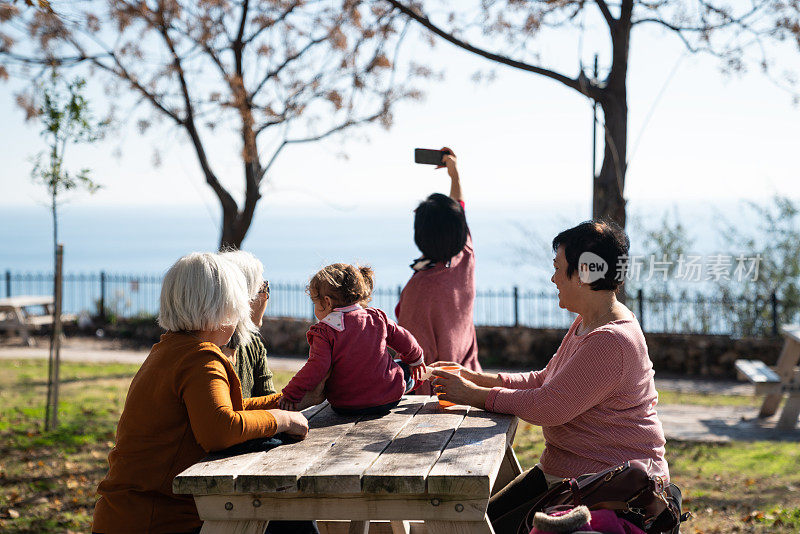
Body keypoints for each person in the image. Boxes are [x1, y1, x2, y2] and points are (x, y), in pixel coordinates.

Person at [430, 221, 671, 533]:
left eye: (559, 268)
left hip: (604, 486)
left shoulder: (611, 340)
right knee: (478, 521)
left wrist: (471, 394)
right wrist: (475, 378)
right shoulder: (589, 323)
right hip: (566, 474)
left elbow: (549, 407)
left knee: (477, 526)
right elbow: (545, 380)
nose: (553, 278)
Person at [92, 253, 309, 534]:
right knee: (287, 510)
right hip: (157, 520)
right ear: (221, 310)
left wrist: (283, 402)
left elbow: (221, 409)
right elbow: (219, 429)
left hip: (126, 515)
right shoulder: (200, 358)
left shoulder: (170, 349)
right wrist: (282, 420)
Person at [280, 263, 427, 415]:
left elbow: (316, 367)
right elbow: (405, 340)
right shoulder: (376, 318)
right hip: (388, 398)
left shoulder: (325, 332)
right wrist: (416, 359)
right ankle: (412, 380)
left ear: (328, 302)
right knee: (403, 366)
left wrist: (292, 393)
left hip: (345, 405)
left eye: (316, 304)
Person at [395, 148, 481, 395]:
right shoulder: (465, 257)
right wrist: (455, 176)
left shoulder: (419, 289)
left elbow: (412, 358)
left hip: (435, 398)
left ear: (419, 235)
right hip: (469, 382)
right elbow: (459, 212)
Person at [218, 249, 277, 397]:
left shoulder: (253, 344)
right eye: (263, 288)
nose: (266, 296)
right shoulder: (207, 351)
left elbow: (268, 400)